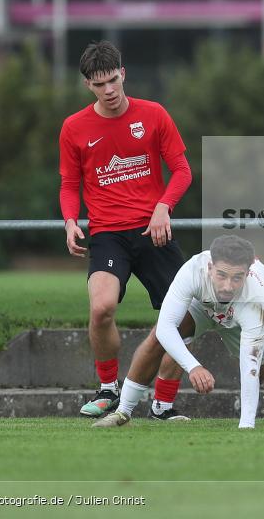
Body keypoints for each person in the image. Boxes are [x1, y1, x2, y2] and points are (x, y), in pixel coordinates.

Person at [59, 41, 192, 418]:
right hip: (107, 235)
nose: (110, 90)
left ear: (124, 74)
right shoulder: (74, 128)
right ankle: (107, 389)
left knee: (184, 319)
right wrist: (70, 220)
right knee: (100, 309)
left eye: (114, 80)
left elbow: (182, 171)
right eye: (100, 84)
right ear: (88, 85)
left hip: (154, 231)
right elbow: (69, 184)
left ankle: (163, 404)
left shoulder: (153, 114)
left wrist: (164, 206)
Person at [92, 235, 264, 429]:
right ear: (210, 268)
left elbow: (249, 369)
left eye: (237, 278)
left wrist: (246, 426)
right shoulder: (193, 270)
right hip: (203, 307)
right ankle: (122, 412)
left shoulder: (256, 299)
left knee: (261, 366)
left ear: (247, 272)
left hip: (245, 314)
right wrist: (194, 367)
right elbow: (165, 327)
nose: (228, 286)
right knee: (157, 337)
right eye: (222, 275)